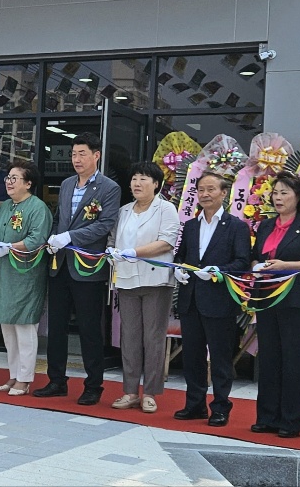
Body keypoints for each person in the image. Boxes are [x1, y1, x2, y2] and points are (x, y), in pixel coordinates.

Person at [35, 134, 120, 406]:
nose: (76, 159)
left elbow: (104, 224)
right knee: (57, 327)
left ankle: (93, 385)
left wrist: (70, 237)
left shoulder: (109, 188)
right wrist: (53, 237)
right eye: (73, 154)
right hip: (60, 264)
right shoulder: (66, 184)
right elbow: (59, 218)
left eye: (82, 154)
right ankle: (56, 380)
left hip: (87, 267)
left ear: (96, 155)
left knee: (89, 328)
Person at [248, 173, 300, 438]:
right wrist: (256, 267)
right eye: (275, 192)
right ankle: (267, 417)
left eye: (284, 192)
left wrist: (286, 266)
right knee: (269, 357)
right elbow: (254, 257)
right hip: (266, 297)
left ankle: (291, 421)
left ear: (298, 197)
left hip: (296, 300)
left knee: (293, 359)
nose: (278, 197)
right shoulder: (265, 226)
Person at [173, 168, 252, 427]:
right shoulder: (191, 225)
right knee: (192, 356)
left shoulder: (236, 226)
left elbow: (242, 262)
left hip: (219, 301)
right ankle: (194, 404)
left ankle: (220, 407)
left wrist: (218, 271)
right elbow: (181, 255)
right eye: (201, 190)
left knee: (220, 358)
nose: (205, 194)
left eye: (211, 189)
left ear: (223, 193)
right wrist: (178, 268)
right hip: (191, 300)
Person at [109, 161, 180, 413]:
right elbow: (112, 239)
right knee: (129, 337)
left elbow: (166, 242)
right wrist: (112, 252)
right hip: (127, 279)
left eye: (143, 179)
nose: (137, 183)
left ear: (156, 184)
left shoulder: (166, 209)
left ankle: (150, 392)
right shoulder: (124, 211)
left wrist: (134, 252)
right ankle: (130, 392)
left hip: (156, 281)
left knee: (153, 338)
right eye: (134, 179)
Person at [0, 161, 51, 397]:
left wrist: (9, 247)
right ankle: (13, 374)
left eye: (14, 178)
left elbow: (36, 239)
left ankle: (25, 378)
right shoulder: (6, 206)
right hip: (3, 273)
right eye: (8, 178)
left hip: (25, 274)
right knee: (7, 326)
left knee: (24, 326)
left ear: (28, 183)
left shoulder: (38, 207)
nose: (9, 182)